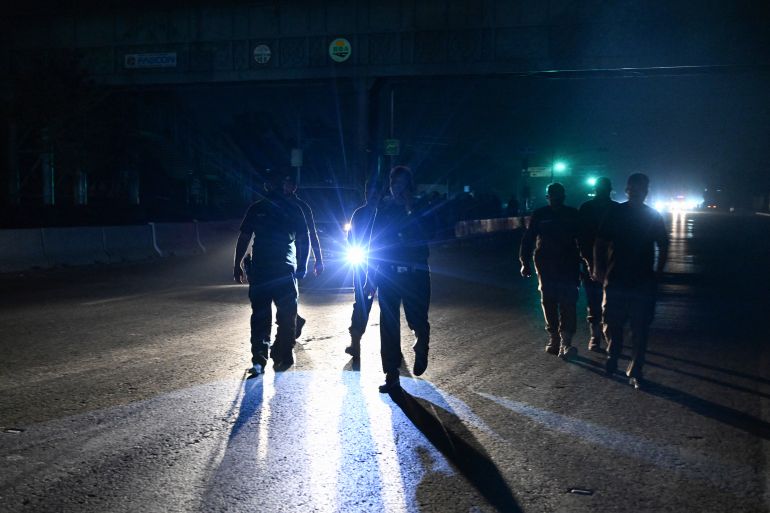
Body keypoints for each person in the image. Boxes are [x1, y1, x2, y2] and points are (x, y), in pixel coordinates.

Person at [593, 173, 669, 390]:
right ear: (627, 190)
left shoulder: (652, 216)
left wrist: (658, 272)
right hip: (616, 277)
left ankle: (636, 369)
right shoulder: (616, 212)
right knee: (611, 322)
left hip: (642, 280)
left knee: (640, 327)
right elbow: (600, 242)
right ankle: (613, 355)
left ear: (646, 191)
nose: (636, 192)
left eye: (641, 189)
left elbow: (663, 244)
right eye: (633, 188)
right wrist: (597, 268)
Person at [366, 166, 436, 393]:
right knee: (388, 326)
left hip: (416, 274)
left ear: (410, 186)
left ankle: (421, 342)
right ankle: (391, 375)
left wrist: (410, 210)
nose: (398, 189)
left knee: (417, 319)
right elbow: (374, 244)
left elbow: (432, 233)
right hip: (388, 274)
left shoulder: (421, 207)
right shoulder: (383, 209)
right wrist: (370, 278)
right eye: (395, 184)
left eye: (403, 185)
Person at [233, 170, 310, 374]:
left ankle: (261, 358)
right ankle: (281, 354)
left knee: (262, 316)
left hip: (264, 271)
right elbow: (304, 239)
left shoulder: (258, 208)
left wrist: (237, 264)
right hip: (279, 271)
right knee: (285, 314)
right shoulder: (292, 209)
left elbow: (244, 238)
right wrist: (302, 265)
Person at [519, 182, 581, 358]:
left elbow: (583, 240)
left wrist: (590, 264)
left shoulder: (572, 214)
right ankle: (554, 338)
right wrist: (524, 262)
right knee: (549, 301)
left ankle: (566, 343)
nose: (555, 197)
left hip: (569, 265)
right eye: (552, 195)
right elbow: (528, 239)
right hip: (546, 265)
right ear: (548, 197)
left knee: (568, 303)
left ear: (564, 196)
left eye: (558, 194)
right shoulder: (540, 215)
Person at [344, 178, 385, 359]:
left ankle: (393, 347)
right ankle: (355, 342)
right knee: (361, 303)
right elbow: (351, 238)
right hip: (362, 264)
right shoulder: (359, 214)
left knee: (388, 307)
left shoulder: (386, 212)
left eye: (376, 193)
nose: (372, 196)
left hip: (384, 266)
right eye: (369, 193)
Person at [577, 177, 618, 353]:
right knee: (596, 300)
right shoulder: (589, 208)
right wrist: (588, 261)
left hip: (612, 262)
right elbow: (581, 237)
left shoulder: (616, 209)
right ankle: (597, 336)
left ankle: (604, 336)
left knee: (605, 301)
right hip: (595, 261)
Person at [282, 173, 324, 339]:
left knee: (287, 293)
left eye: (287, 184)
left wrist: (318, 260)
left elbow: (312, 234)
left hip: (296, 257)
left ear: (294, 187)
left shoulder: (301, 207)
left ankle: (291, 326)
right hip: (280, 257)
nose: (284, 188)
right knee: (284, 294)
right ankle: (294, 321)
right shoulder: (276, 204)